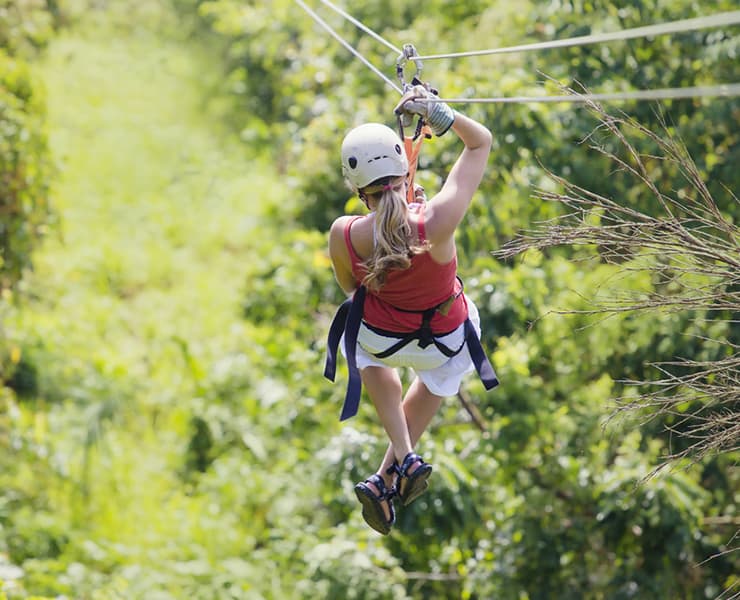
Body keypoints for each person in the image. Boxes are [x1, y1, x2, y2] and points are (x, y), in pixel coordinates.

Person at [324, 85, 498, 535]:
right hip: (444, 338)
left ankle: (399, 462)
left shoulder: (343, 234)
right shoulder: (437, 220)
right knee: (440, 374)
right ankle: (393, 468)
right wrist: (442, 115)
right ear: (405, 171)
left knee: (358, 337)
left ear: (359, 191)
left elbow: (351, 286)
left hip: (383, 337)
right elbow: (481, 142)